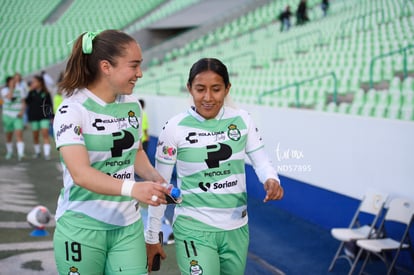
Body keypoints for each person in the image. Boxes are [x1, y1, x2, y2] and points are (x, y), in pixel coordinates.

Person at [145, 58, 284, 274]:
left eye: (216, 89)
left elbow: (262, 161)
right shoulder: (174, 128)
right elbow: (159, 185)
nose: (208, 97)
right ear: (189, 88)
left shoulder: (242, 120)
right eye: (200, 89)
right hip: (193, 226)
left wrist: (271, 179)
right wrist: (153, 236)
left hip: (237, 228)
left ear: (227, 89)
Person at [52, 29, 170, 275]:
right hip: (82, 226)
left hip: (128, 226)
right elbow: (81, 174)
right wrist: (134, 188)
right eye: (134, 66)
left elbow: (134, 152)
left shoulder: (132, 105)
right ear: (106, 67)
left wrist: (155, 178)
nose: (140, 73)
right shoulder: (71, 110)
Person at [25, 75, 53, 159]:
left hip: (44, 116)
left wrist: (51, 116)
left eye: (34, 81)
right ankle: (37, 152)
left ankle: (47, 154)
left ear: (40, 82)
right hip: (34, 117)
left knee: (45, 134)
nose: (32, 83)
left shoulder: (46, 93)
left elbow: (50, 105)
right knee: (35, 135)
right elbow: (27, 102)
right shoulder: (31, 92)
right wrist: (30, 91)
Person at [1, 75, 26, 160]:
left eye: (15, 81)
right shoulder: (4, 90)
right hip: (7, 115)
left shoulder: (20, 89)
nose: (14, 82)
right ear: (8, 82)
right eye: (12, 81)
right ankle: (10, 152)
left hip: (17, 115)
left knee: (19, 134)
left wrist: (22, 111)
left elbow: (23, 101)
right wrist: (11, 88)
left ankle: (21, 153)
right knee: (9, 135)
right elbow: (9, 97)